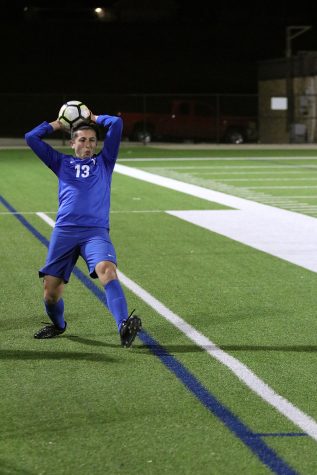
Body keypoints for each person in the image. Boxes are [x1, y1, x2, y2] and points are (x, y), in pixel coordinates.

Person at [24, 107, 142, 347]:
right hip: (65, 232)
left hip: (95, 232)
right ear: (71, 142)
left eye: (91, 140)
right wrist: (58, 122)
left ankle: (123, 325)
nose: (87, 145)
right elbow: (31, 137)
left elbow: (117, 124)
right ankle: (58, 325)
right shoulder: (60, 161)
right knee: (50, 293)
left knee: (107, 270)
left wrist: (94, 118)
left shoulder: (104, 162)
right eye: (82, 140)